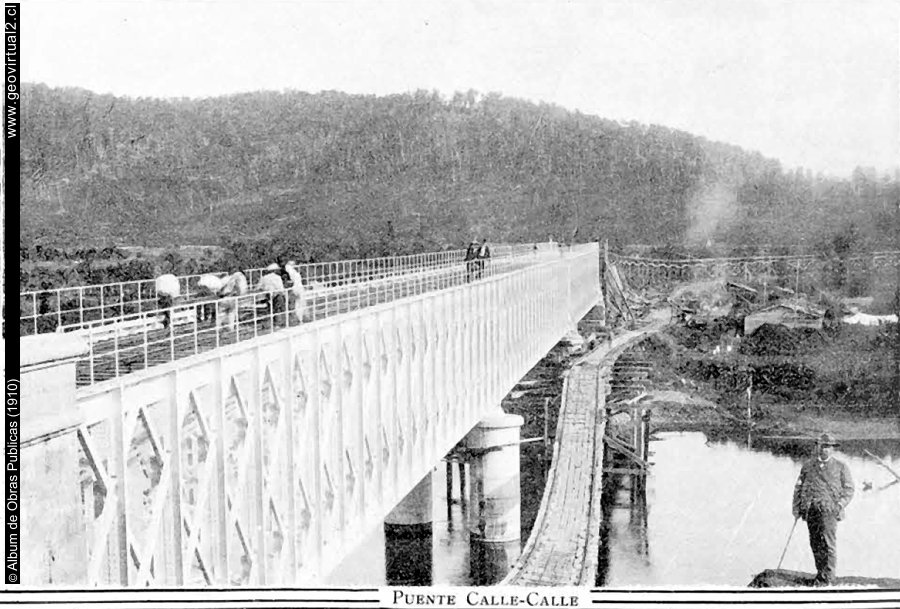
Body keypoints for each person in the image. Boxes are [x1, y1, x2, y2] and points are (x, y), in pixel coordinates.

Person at [791, 433, 854, 586]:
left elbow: (849, 489)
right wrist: (796, 508)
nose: (824, 449)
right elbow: (798, 488)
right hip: (810, 510)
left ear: (832, 449)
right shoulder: (807, 466)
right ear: (817, 447)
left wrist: (839, 505)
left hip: (829, 511)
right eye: (822, 446)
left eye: (828, 446)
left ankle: (829, 578)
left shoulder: (841, 467)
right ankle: (820, 574)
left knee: (828, 544)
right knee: (815, 543)